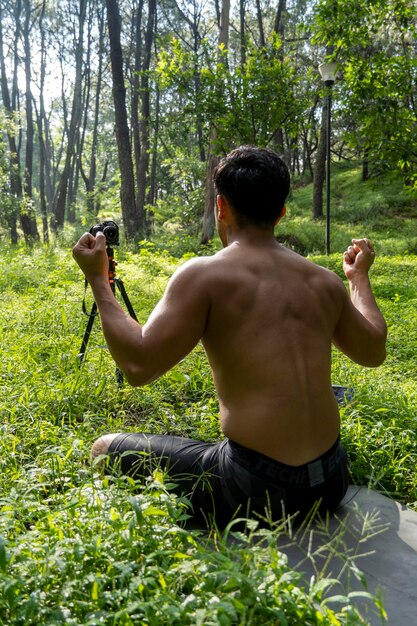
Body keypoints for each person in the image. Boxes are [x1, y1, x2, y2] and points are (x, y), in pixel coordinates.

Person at [72, 145, 387, 529]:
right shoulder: (323, 280)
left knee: (103, 449)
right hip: (332, 480)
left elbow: (137, 366)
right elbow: (373, 351)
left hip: (256, 488)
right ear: (282, 212)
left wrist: (99, 280)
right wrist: (358, 278)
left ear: (221, 207)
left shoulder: (205, 275)